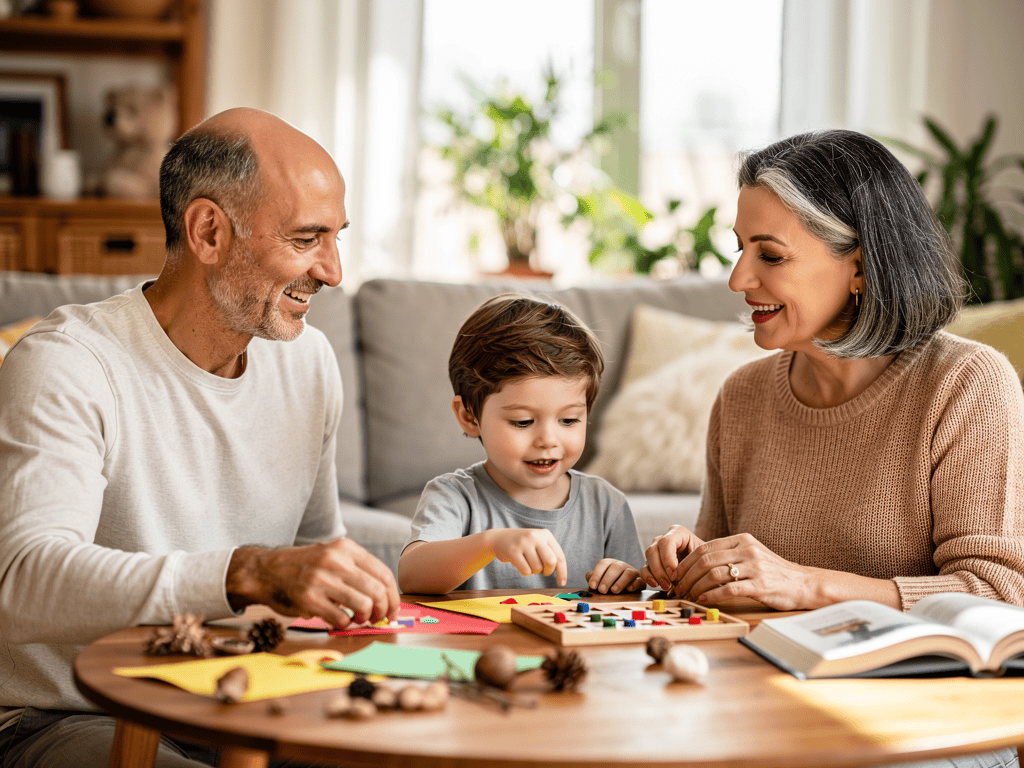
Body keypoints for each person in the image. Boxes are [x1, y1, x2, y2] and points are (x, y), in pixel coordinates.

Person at [0, 108, 399, 768]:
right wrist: (245, 571)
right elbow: (24, 582)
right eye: (307, 239)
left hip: (235, 697)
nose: (331, 271)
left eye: (336, 238)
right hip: (66, 712)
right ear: (210, 232)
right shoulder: (67, 362)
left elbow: (313, 556)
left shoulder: (309, 361)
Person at [642, 129, 1024, 615]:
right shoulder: (742, 396)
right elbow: (729, 593)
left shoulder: (966, 384)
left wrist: (805, 585)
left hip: (901, 685)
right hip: (758, 675)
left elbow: (999, 593)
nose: (738, 279)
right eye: (740, 249)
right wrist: (689, 565)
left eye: (771, 255)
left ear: (862, 268)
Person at [398, 294, 645, 594]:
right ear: (469, 416)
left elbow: (636, 595)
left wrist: (627, 577)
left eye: (569, 421)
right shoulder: (454, 496)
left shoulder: (607, 505)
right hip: (481, 642)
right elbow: (412, 575)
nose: (548, 441)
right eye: (523, 422)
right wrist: (491, 543)